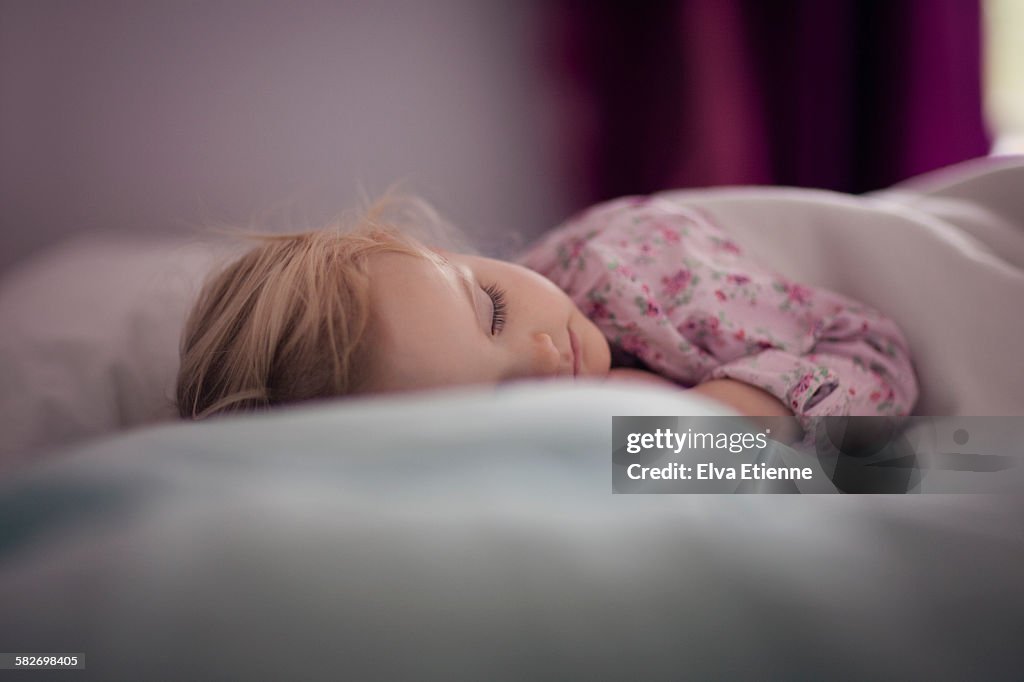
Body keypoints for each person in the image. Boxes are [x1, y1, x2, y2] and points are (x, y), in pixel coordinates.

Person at [176, 193, 918, 436]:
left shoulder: (636, 273)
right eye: (505, 400)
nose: (540, 359)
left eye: (492, 309)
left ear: (435, 247)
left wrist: (722, 416)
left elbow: (875, 353)